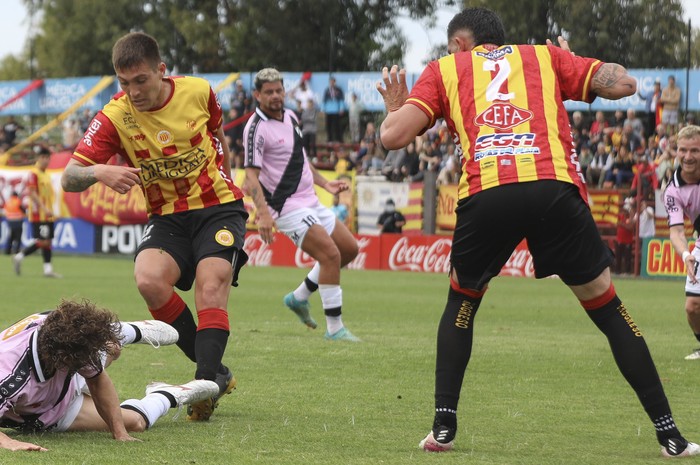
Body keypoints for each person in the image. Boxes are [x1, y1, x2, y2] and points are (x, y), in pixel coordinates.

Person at [376, 7, 699, 457]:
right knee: (608, 310)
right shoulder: (543, 57)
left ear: (459, 45)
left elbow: (391, 137)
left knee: (461, 303)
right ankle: (670, 434)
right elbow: (625, 83)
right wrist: (573, 60)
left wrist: (395, 107)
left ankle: (443, 428)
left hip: (488, 193)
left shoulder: (444, 68)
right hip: (553, 189)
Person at [60, 32, 248, 422]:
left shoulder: (198, 92)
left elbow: (217, 135)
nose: (133, 91)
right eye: (123, 83)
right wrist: (100, 170)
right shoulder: (114, 116)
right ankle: (217, 375)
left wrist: (228, 178)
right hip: (167, 215)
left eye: (140, 80)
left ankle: (202, 388)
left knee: (211, 284)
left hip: (218, 207)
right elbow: (69, 177)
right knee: (148, 279)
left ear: (162, 71)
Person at [0, 299, 219, 452]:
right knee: (136, 422)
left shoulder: (59, 330)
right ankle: (167, 394)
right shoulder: (8, 376)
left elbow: (97, 381)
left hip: (59, 370)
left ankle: (124, 332)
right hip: (46, 410)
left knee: (105, 347)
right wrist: (8, 442)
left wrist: (119, 433)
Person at [243, 67, 359, 341]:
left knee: (349, 250)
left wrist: (325, 183)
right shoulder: (255, 128)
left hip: (311, 200)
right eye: (268, 92)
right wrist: (263, 215)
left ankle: (299, 297)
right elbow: (250, 175)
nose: (275, 96)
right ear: (257, 95)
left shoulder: (291, 116)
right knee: (330, 255)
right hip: (285, 207)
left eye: (279, 90)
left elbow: (301, 158)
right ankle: (335, 329)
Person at [664, 125, 700, 361]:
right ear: (676, 151)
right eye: (683, 150)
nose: (688, 156)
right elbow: (676, 231)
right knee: (692, 307)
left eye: (695, 151)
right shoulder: (672, 190)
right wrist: (686, 254)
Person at [12, 147, 61, 278]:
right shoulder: (33, 173)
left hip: (47, 213)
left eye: (47, 157)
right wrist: (44, 209)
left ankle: (48, 269)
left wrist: (53, 210)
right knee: (43, 241)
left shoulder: (46, 174)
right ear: (38, 158)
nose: (46, 160)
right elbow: (32, 193)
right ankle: (19, 256)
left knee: (48, 241)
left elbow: (49, 195)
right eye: (43, 157)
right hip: (38, 213)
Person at [322, 76, 346, 142]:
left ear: (334, 82)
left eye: (333, 81)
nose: (331, 83)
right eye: (330, 81)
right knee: (328, 126)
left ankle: (339, 139)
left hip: (336, 110)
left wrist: (341, 108)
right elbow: (324, 100)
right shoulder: (327, 90)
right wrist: (323, 109)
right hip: (328, 110)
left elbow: (341, 100)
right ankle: (330, 139)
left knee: (337, 125)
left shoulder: (338, 90)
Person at [3, 191, 24, 255]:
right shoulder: (18, 201)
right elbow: (23, 209)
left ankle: (8, 250)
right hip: (18, 221)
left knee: (11, 236)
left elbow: (5, 210)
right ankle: (17, 250)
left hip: (10, 221)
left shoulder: (8, 202)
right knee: (18, 237)